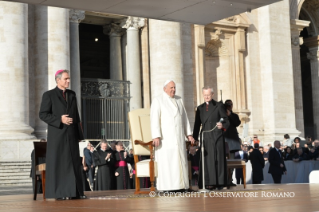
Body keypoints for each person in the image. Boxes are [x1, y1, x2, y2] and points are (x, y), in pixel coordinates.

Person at [39, 69, 85, 200]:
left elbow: (76, 115)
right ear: (58, 80)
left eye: (69, 78)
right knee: (60, 164)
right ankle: (59, 193)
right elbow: (43, 114)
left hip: (71, 135)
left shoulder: (72, 94)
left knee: (73, 162)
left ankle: (75, 192)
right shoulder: (48, 95)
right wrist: (60, 119)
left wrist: (79, 135)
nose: (68, 81)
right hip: (57, 135)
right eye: (66, 79)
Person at [151, 80, 194, 192]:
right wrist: (156, 136)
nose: (173, 90)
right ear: (165, 89)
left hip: (179, 137)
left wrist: (189, 134)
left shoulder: (179, 99)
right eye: (171, 88)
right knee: (169, 163)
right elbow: (154, 119)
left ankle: (182, 186)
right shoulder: (158, 100)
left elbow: (184, 117)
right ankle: (168, 187)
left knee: (180, 161)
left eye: (174, 87)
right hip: (166, 139)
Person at [193, 86, 229, 190]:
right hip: (205, 137)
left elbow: (226, 120)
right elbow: (197, 124)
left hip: (217, 136)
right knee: (207, 160)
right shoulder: (200, 108)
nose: (206, 97)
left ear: (212, 95)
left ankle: (219, 182)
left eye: (208, 95)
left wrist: (222, 125)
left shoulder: (219, 106)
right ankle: (208, 182)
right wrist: (194, 138)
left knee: (218, 159)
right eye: (205, 95)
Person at [223, 99, 241, 186]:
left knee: (232, 162)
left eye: (231, 104)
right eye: (228, 104)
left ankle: (229, 180)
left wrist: (230, 115)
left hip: (233, 144)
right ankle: (224, 180)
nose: (230, 106)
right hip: (224, 142)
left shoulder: (234, 115)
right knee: (223, 163)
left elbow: (237, 123)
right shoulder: (222, 115)